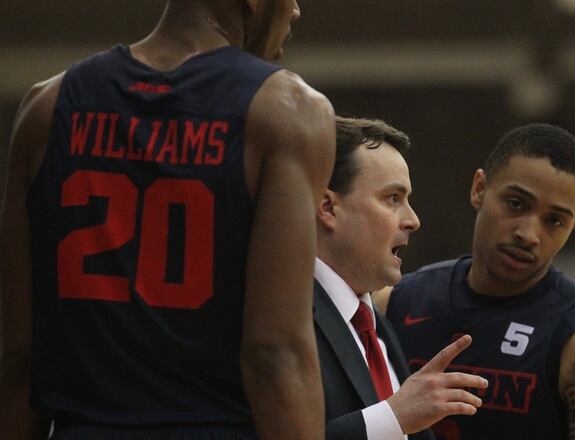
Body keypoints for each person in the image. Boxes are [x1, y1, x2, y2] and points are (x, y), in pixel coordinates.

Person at [0, 1, 335, 439]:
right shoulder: (288, 112)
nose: (295, 8)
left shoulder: (45, 107)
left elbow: (19, 359)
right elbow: (274, 354)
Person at [377, 123, 575, 439]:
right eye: (516, 204)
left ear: (574, 225)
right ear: (479, 188)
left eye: (554, 221)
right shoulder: (393, 302)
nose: (528, 235)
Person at [314, 116, 488, 440]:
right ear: (328, 206)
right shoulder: (276, 314)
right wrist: (393, 418)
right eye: (393, 198)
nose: (413, 220)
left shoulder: (375, 322)